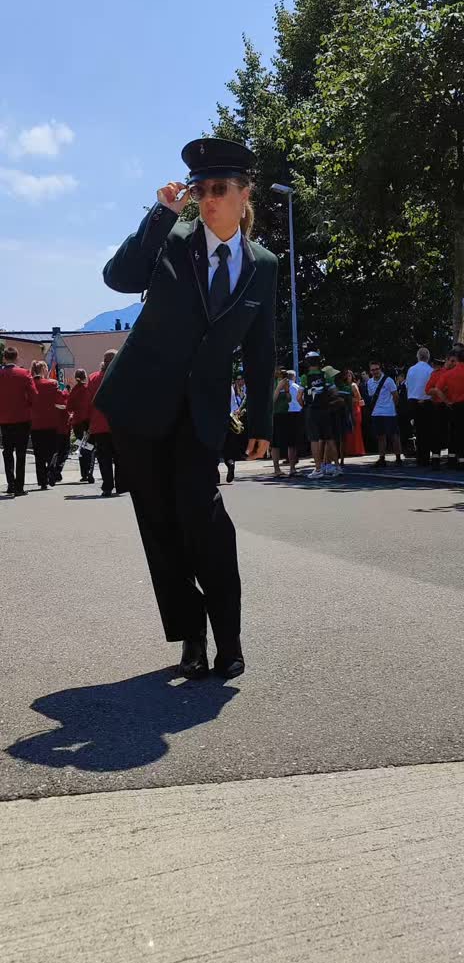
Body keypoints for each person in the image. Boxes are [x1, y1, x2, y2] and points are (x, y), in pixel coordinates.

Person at [95, 138, 277, 680]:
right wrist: (161, 214)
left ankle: (229, 637)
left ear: (244, 194)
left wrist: (262, 421)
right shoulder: (172, 237)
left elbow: (262, 349)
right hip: (140, 404)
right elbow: (119, 277)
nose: (208, 199)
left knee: (204, 518)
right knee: (160, 525)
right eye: (200, 190)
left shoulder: (264, 265)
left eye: (219, 188)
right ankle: (191, 637)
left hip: (202, 411)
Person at [0, 345, 37, 496]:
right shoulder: (24, 373)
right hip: (22, 418)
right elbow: (34, 395)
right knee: (21, 453)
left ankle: (10, 483)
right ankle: (19, 486)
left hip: (4, 419)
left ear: (4, 358)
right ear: (17, 358)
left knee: (7, 451)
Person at [299, 352, 339, 479]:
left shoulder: (305, 377)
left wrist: (305, 406)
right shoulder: (326, 375)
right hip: (325, 410)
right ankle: (337, 467)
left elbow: (299, 397)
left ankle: (318, 469)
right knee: (329, 438)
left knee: (314, 440)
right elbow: (335, 393)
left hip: (312, 410)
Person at [88, 351, 121, 496]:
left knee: (104, 458)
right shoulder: (122, 376)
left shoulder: (93, 378)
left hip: (99, 424)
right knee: (120, 457)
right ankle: (120, 484)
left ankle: (107, 486)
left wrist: (87, 422)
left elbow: (88, 402)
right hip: (118, 424)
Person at [30, 361, 66, 490]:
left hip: (35, 423)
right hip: (51, 422)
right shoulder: (52, 384)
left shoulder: (30, 384)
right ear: (44, 370)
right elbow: (61, 401)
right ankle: (51, 470)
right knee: (52, 451)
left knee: (38, 454)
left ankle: (42, 481)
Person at [366, 361, 402, 468]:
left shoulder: (388, 380)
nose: (375, 371)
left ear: (380, 369)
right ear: (370, 371)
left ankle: (398, 458)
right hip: (376, 413)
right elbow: (371, 396)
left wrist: (393, 407)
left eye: (377, 369)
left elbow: (395, 395)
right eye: (373, 370)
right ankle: (382, 458)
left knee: (394, 435)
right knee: (380, 436)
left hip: (389, 413)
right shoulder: (369, 382)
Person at [406, 347, 433, 467]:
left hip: (412, 401)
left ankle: (419, 457)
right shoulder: (430, 370)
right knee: (426, 431)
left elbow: (408, 385)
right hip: (425, 401)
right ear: (428, 357)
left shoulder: (411, 369)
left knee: (417, 430)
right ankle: (425, 457)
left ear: (417, 356)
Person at [425, 356, 454, 469]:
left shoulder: (453, 373)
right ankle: (437, 459)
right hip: (441, 405)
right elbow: (428, 390)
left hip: (449, 406)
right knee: (438, 432)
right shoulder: (437, 373)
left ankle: (449, 458)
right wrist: (439, 390)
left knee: (451, 432)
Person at [67, 369, 94, 482]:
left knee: (81, 446)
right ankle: (89, 471)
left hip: (77, 422)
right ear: (85, 377)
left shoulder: (74, 390)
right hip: (88, 421)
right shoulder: (88, 389)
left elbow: (69, 407)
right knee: (89, 446)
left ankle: (84, 473)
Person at [271, 368, 298, 478]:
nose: (282, 375)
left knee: (291, 442)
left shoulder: (286, 383)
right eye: (280, 373)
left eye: (283, 374)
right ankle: (276, 469)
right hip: (276, 415)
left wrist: (286, 390)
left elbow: (289, 399)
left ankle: (292, 468)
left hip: (288, 414)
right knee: (275, 443)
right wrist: (278, 388)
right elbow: (272, 401)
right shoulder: (272, 383)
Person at [342, 369, 365, 457]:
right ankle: (349, 450)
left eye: (349, 375)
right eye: (346, 375)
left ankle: (357, 450)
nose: (347, 377)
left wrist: (349, 399)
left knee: (356, 430)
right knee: (348, 431)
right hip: (347, 409)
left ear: (352, 376)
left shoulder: (353, 385)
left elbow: (358, 398)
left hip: (355, 409)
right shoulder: (343, 386)